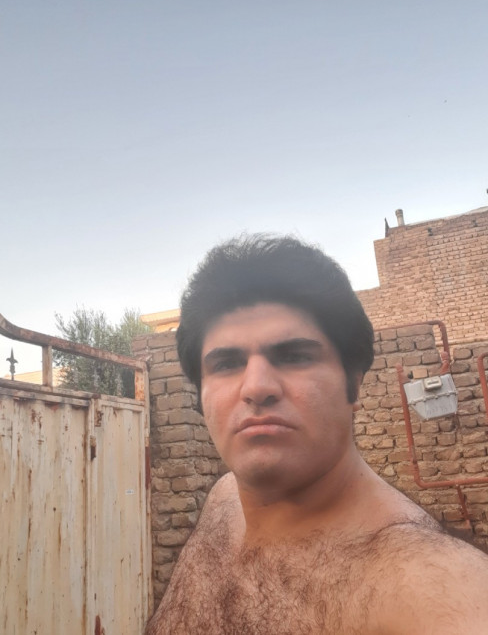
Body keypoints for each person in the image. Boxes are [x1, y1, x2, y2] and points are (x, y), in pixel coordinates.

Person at [146, 235, 488, 635]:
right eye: (226, 363)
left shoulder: (433, 588)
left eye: (294, 356)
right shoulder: (222, 503)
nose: (256, 387)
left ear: (354, 384)